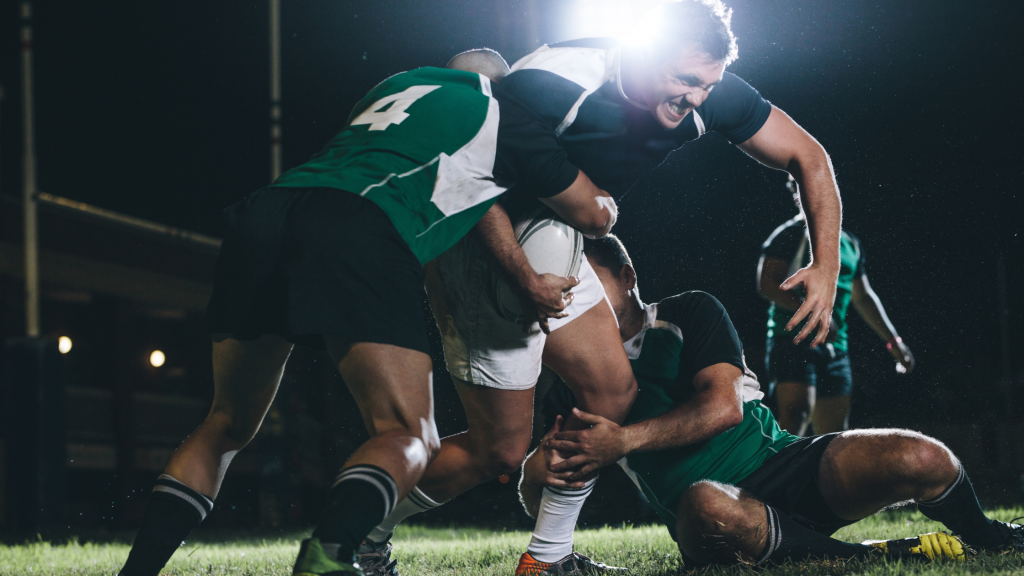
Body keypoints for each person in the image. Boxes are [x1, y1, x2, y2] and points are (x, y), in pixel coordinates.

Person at [361, 1, 846, 573]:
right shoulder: (554, 83)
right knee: (501, 448)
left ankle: (547, 560)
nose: (696, 97)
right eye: (685, 79)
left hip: (555, 233)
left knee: (612, 395)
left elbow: (808, 156)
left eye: (707, 84)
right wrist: (520, 272)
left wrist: (826, 266)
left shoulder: (709, 94)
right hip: (482, 240)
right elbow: (467, 178)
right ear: (642, 52)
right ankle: (357, 535)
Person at [116, 51, 615, 576]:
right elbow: (590, 213)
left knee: (226, 423)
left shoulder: (396, 85)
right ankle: (329, 556)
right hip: (362, 224)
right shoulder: (505, 116)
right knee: (409, 435)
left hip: (266, 213)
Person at [519, 234, 1023, 568]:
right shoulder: (571, 378)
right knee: (706, 502)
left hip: (785, 464)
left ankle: (992, 535)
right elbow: (547, 479)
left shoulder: (687, 311)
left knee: (923, 456)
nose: (578, 299)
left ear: (628, 276)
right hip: (711, 516)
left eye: (588, 283)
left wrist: (622, 440)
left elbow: (724, 408)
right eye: (570, 288)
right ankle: (861, 558)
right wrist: (533, 476)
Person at [759, 175, 915, 435]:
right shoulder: (789, 235)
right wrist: (815, 311)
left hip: (835, 350)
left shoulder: (849, 243)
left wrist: (893, 341)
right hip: (793, 343)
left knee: (833, 438)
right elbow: (767, 284)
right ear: (796, 195)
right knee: (794, 422)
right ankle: (785, 476)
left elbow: (864, 297)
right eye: (804, 189)